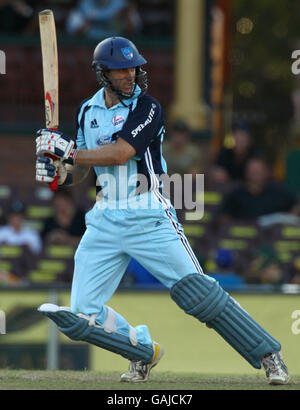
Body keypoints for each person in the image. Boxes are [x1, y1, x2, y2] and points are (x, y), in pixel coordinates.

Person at [34, 36, 289, 385]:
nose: (131, 75)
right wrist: (57, 168)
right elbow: (80, 170)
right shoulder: (86, 111)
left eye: (134, 68)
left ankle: (268, 354)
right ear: (103, 73)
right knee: (83, 316)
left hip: (149, 216)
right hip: (103, 220)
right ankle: (142, 351)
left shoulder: (148, 107)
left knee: (198, 294)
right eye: (122, 69)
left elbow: (122, 152)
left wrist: (69, 153)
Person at [220, 157, 299, 221]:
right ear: (246, 173)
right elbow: (224, 218)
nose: (255, 175)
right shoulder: (236, 194)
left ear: (265, 173)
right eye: (252, 172)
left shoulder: (278, 191)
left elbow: (296, 204)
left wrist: (289, 220)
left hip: (271, 236)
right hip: (243, 236)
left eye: (258, 172)